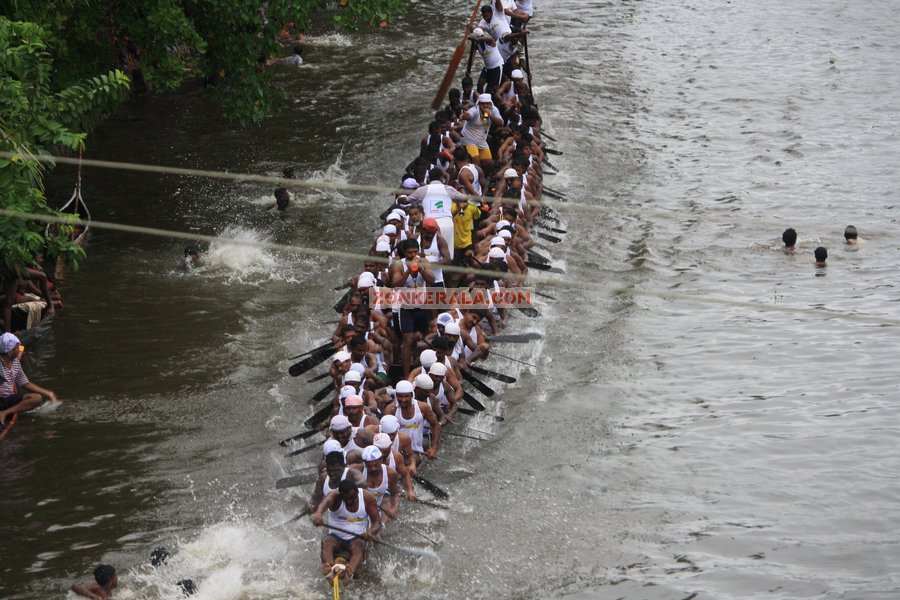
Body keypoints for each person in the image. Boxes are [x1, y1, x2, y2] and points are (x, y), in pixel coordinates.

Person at [311, 479, 382, 584]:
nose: (350, 502)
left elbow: (377, 523)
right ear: (340, 495)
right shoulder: (334, 496)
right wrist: (318, 515)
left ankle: (350, 574)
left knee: (358, 546)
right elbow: (324, 504)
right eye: (347, 500)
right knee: (327, 542)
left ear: (357, 492)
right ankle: (330, 571)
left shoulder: (367, 498)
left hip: (357, 538)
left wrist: (371, 533)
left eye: (353, 499)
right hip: (335, 536)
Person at [0, 333, 58, 425]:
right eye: (18, 348)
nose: (21, 350)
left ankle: (5, 412)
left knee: (37, 398)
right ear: (10, 351)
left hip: (8, 398)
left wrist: (48, 393)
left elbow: (25, 383)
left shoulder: (15, 362)